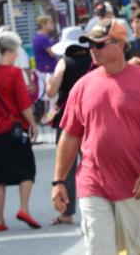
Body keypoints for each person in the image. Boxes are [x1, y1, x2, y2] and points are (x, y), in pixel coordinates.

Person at [52, 19, 140, 255]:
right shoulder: (82, 86)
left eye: (99, 45)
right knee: (98, 249)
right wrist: (58, 181)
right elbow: (69, 136)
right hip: (92, 182)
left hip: (134, 183)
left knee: (138, 249)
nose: (93, 50)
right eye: (90, 45)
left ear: (120, 44)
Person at [0, 31, 40, 232]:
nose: (15, 56)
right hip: (13, 131)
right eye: (14, 52)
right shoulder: (13, 73)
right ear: (8, 52)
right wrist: (33, 125)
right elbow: (23, 104)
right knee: (27, 170)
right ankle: (24, 208)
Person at [46, 26, 92, 225]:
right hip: (91, 117)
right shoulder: (94, 60)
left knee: (67, 166)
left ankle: (67, 211)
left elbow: (52, 91)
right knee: (92, 162)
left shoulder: (64, 63)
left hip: (69, 119)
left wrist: (48, 83)